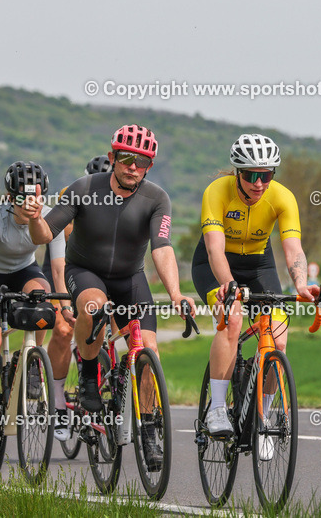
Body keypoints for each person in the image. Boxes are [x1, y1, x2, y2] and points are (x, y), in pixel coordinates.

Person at [27, 124, 195, 470]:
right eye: (126, 159)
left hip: (130, 279)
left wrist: (176, 294)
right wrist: (33, 217)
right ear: (112, 157)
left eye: (141, 162)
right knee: (93, 307)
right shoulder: (84, 188)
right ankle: (89, 376)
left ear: (149, 166)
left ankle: (149, 431)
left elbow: (162, 247)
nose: (133, 167)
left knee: (148, 352)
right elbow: (44, 234)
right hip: (85, 271)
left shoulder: (157, 198)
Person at [193, 134, 317, 460]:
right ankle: (217, 408)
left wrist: (301, 284)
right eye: (251, 175)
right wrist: (229, 285)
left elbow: (293, 248)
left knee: (278, 339)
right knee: (232, 319)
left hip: (259, 265)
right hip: (215, 264)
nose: (259, 183)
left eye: (266, 174)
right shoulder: (217, 192)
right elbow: (214, 249)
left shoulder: (282, 197)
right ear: (238, 172)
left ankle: (262, 416)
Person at [0, 161, 66, 465]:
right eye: (23, 197)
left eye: (35, 196)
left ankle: (32, 361)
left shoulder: (49, 217)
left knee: (43, 300)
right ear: (10, 197)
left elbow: (57, 269)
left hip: (25, 270)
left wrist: (64, 306)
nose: (29, 203)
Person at [41, 155, 111, 443]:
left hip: (100, 271)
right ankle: (58, 404)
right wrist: (65, 304)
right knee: (63, 329)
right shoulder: (73, 194)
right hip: (65, 264)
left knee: (109, 325)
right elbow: (63, 250)